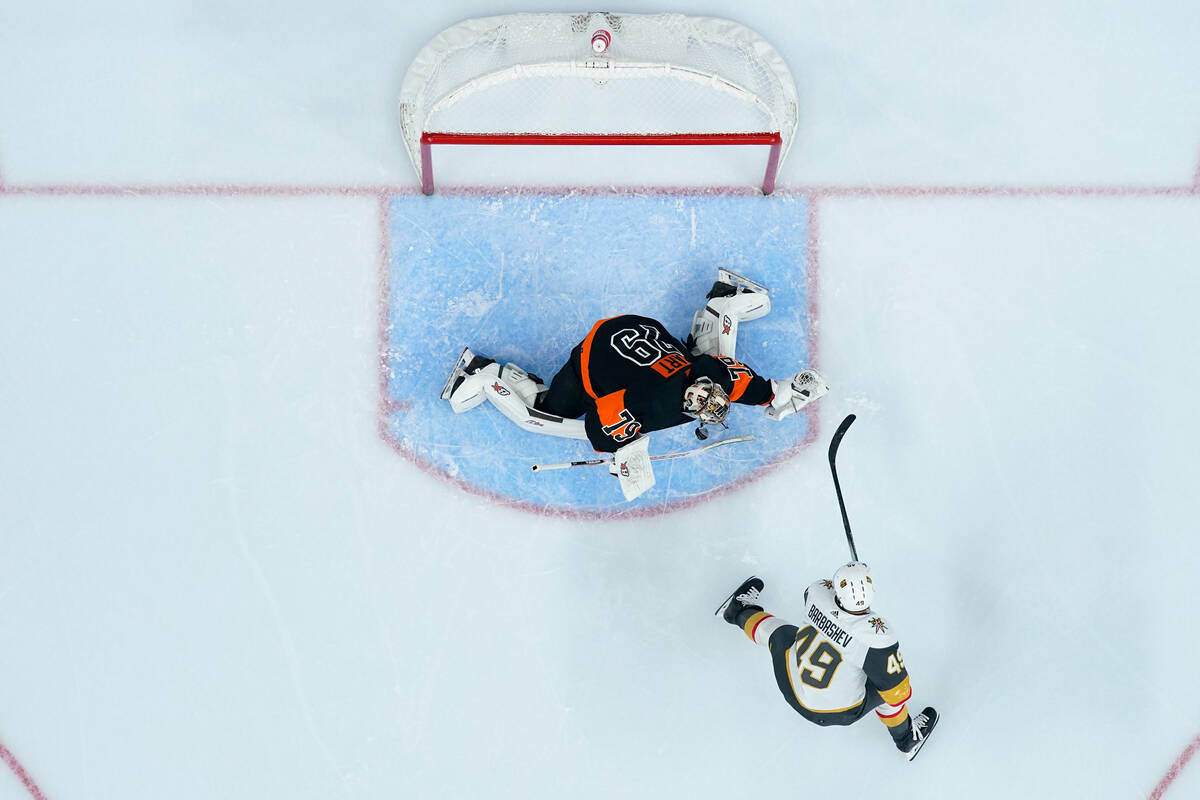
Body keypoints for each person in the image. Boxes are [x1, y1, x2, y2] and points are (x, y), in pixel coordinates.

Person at [441, 270, 829, 454]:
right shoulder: (652, 406)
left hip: (640, 330)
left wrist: (771, 395)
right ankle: (484, 372)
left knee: (708, 358)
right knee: (546, 413)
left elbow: (739, 380)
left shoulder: (715, 377)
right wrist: (621, 449)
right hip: (595, 354)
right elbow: (596, 428)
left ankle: (723, 302)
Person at [717, 564, 939, 760]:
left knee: (780, 634)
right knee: (887, 690)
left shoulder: (816, 592)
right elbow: (898, 691)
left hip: (792, 686)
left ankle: (737, 612)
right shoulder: (876, 637)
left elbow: (820, 591)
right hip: (834, 712)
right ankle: (906, 739)